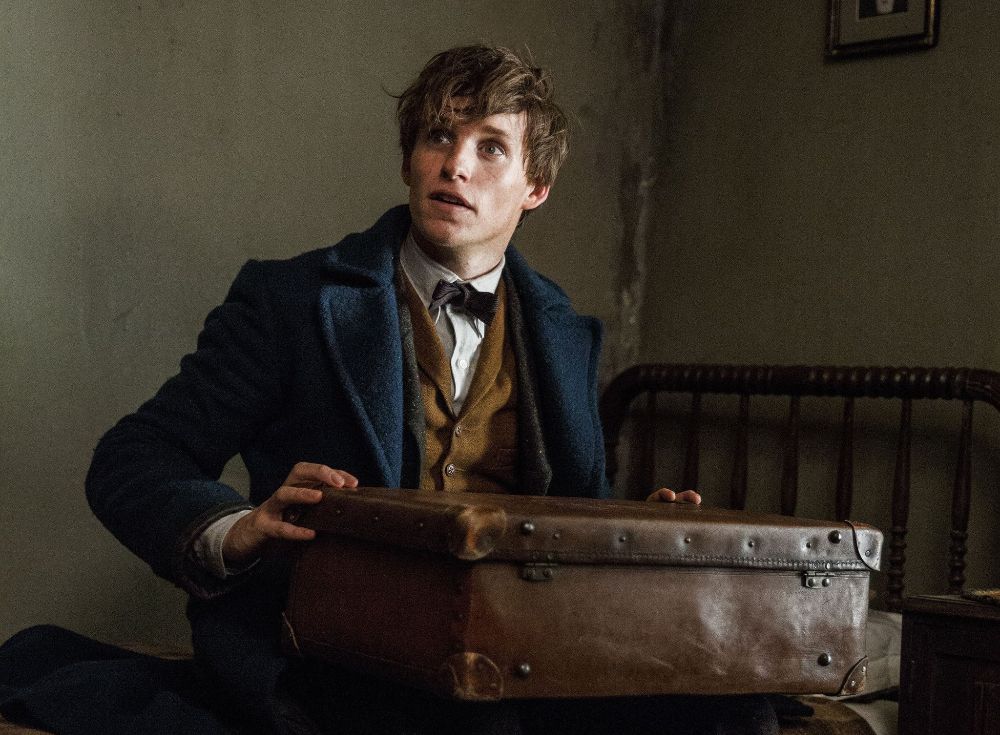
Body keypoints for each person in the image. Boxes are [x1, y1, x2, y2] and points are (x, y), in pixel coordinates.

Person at [0, 45, 776, 735]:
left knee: (740, 712)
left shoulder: (567, 332)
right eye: (438, 136)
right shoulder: (292, 301)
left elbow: (572, 520)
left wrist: (642, 533)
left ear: (535, 186)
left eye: (490, 147)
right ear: (409, 160)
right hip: (339, 651)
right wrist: (237, 527)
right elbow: (133, 458)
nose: (456, 164)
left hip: (522, 654)